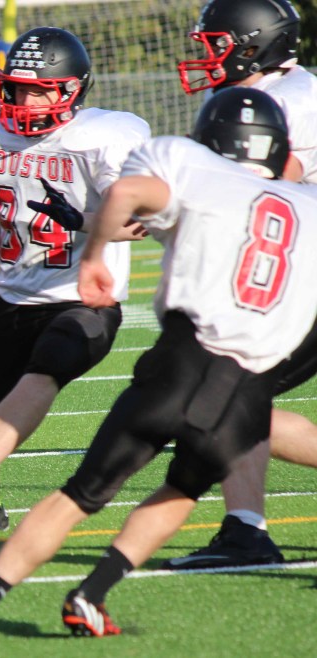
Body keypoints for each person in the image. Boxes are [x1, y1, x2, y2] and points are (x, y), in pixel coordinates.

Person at [0, 86, 317, 647]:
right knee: (180, 493)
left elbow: (131, 194)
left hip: (180, 365)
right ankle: (92, 593)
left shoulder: (191, 168)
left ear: (209, 139)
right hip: (246, 390)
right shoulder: (305, 203)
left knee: (79, 496)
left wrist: (91, 260)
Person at [0, 27, 150, 537]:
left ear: (71, 90)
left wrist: (81, 220)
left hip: (82, 301)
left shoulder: (101, 139)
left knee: (47, 367)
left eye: (39, 88)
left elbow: (142, 223)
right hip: (14, 296)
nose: (25, 98)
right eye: (18, 87)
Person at [168, 0, 317, 569]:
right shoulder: (250, 90)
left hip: (298, 274)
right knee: (234, 399)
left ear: (254, 44)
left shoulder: (293, 100)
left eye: (214, 44)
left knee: (227, 395)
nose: (204, 56)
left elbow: (269, 190)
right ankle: (245, 531)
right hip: (286, 270)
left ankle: (246, 533)